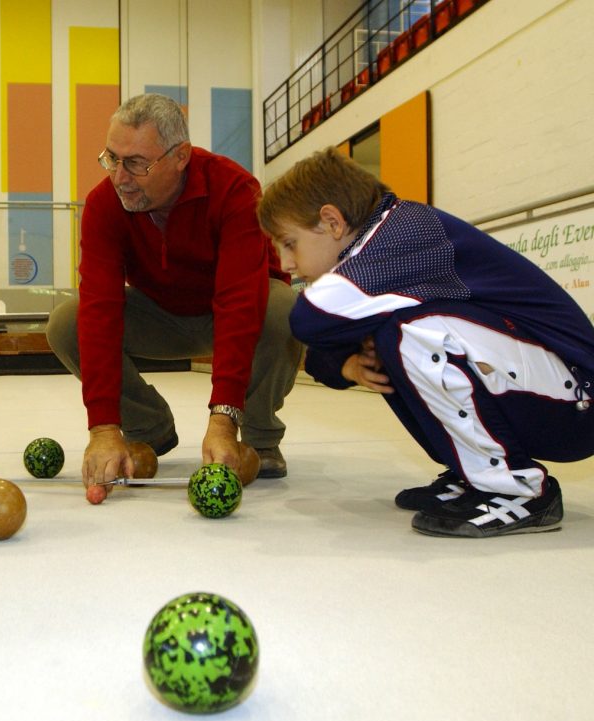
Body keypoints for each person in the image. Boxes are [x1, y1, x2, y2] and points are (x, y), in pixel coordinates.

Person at [257, 146, 594, 537]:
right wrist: (350, 364)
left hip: (578, 402)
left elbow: (309, 319)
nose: (285, 264)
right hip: (547, 395)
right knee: (388, 334)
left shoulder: (404, 231)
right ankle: (474, 474)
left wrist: (347, 349)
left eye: (289, 243)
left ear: (332, 222)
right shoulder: (382, 246)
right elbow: (320, 354)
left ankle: (517, 490)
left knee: (407, 330)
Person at [46, 93, 303, 503]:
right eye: (111, 158)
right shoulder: (103, 205)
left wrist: (223, 420)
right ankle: (150, 430)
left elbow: (240, 302)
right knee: (67, 321)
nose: (119, 176)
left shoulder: (235, 189)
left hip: (238, 314)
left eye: (135, 163)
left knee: (283, 308)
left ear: (181, 156)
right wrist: (104, 427)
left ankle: (260, 436)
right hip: (161, 316)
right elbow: (100, 308)